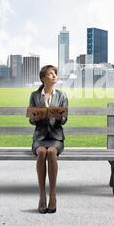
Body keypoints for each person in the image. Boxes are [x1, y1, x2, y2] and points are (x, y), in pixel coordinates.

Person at [28, 65, 68, 214]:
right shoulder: (34, 95)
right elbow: (31, 119)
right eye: (50, 74)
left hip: (56, 138)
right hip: (40, 137)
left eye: (55, 74)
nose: (54, 76)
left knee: (51, 152)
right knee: (42, 153)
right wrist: (36, 117)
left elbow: (64, 119)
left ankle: (52, 195)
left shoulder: (62, 95)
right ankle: (42, 196)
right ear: (43, 78)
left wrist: (60, 117)